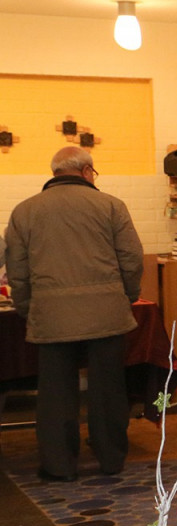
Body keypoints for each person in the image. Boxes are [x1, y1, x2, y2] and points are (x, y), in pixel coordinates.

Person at [4, 147, 144, 481]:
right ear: (85, 171)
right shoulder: (111, 206)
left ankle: (59, 465)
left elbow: (17, 271)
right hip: (106, 314)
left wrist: (26, 307)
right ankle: (111, 459)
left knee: (55, 394)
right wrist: (126, 296)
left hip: (52, 316)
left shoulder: (24, 212)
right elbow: (132, 259)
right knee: (108, 390)